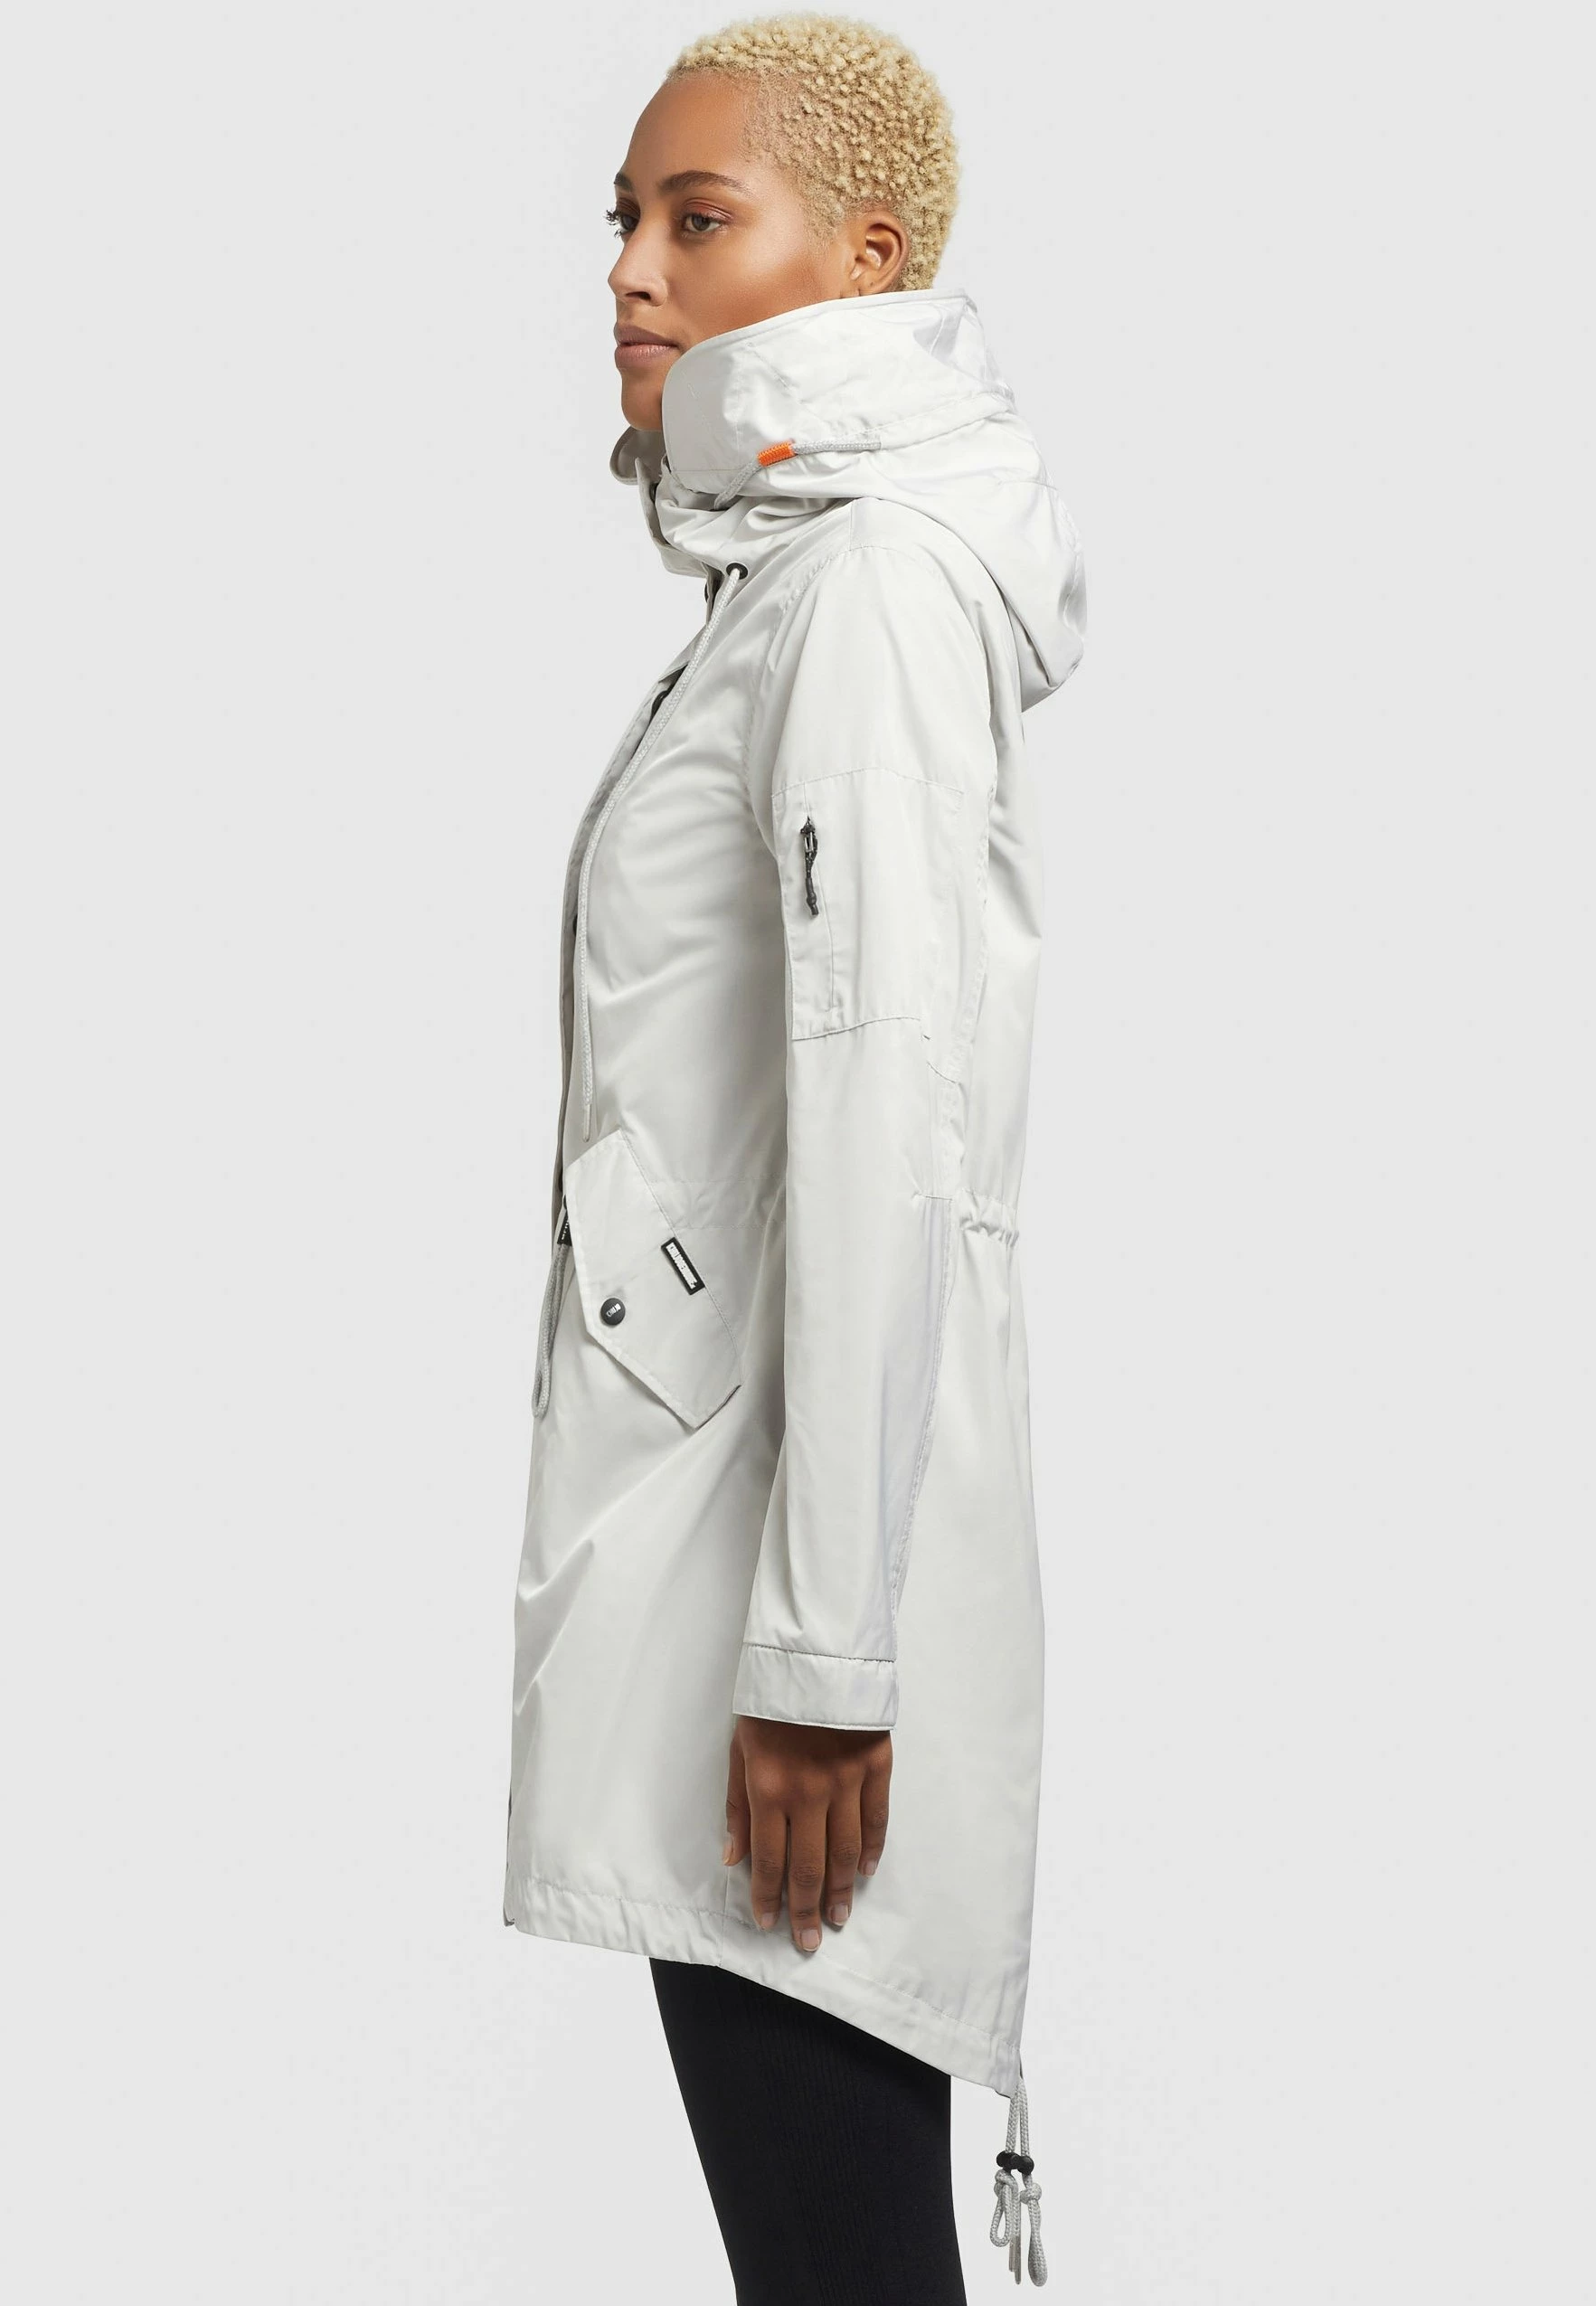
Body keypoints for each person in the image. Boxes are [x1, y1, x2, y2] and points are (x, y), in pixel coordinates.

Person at [503, 15, 1086, 2298]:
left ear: (869, 256)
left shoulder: (866, 596)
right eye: (623, 221)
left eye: (697, 216)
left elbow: (886, 1101)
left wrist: (827, 1661)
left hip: (788, 1598)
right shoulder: (794, 586)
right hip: (739, 1538)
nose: (630, 271)